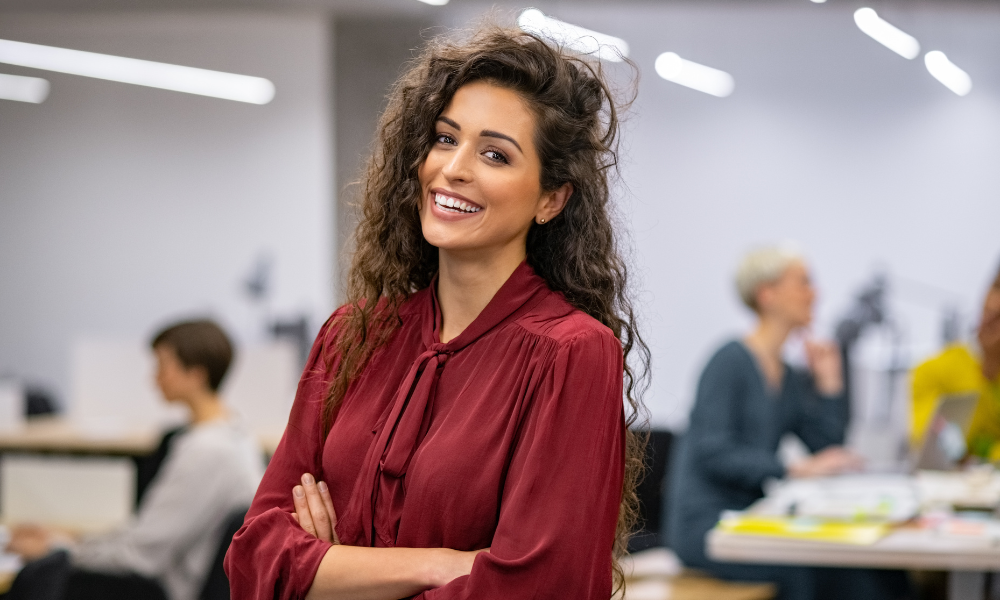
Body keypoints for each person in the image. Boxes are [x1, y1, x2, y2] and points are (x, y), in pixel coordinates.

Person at [225, 24, 648, 600]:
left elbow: (539, 588)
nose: (453, 169)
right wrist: (437, 565)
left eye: (495, 154)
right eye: (446, 139)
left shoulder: (571, 352)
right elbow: (253, 558)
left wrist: (330, 571)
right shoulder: (353, 334)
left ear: (552, 198)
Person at [667, 246, 911, 600]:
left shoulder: (790, 375)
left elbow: (826, 446)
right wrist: (794, 469)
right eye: (803, 282)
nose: (815, 293)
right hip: (707, 527)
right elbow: (713, 452)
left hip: (753, 518)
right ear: (767, 294)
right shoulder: (728, 361)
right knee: (813, 575)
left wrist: (830, 384)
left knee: (880, 571)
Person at [6, 319, 265, 600]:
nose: (154, 378)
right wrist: (68, 539)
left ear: (196, 375)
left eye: (163, 366)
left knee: (37, 578)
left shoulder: (207, 451)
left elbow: (142, 554)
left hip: (166, 588)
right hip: (179, 577)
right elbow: (148, 534)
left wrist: (57, 550)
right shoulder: (235, 434)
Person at [910, 263, 1000, 460]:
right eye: (996, 287)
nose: (995, 303)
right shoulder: (932, 370)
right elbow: (936, 451)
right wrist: (987, 369)